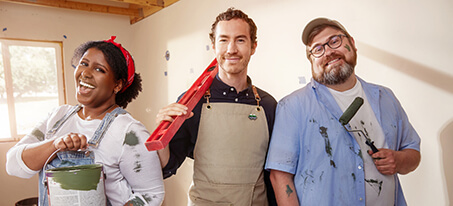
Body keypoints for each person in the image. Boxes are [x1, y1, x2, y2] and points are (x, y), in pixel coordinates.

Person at [265, 17, 421, 206]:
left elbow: (412, 152)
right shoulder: (292, 107)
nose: (329, 52)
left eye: (334, 41)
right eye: (318, 49)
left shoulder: (385, 97)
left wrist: (398, 160)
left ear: (352, 44)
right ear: (311, 61)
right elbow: (280, 176)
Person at [6, 36, 164, 206]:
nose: (86, 73)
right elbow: (13, 165)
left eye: (99, 69)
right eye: (84, 63)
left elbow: (151, 194)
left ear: (117, 85)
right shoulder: (58, 116)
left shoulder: (129, 131)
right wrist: (55, 144)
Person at [155, 8, 277, 206]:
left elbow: (274, 172)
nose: (231, 49)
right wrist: (163, 134)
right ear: (213, 45)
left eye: (240, 40)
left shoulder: (267, 104)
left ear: (253, 46)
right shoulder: (192, 102)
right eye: (223, 40)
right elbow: (167, 165)